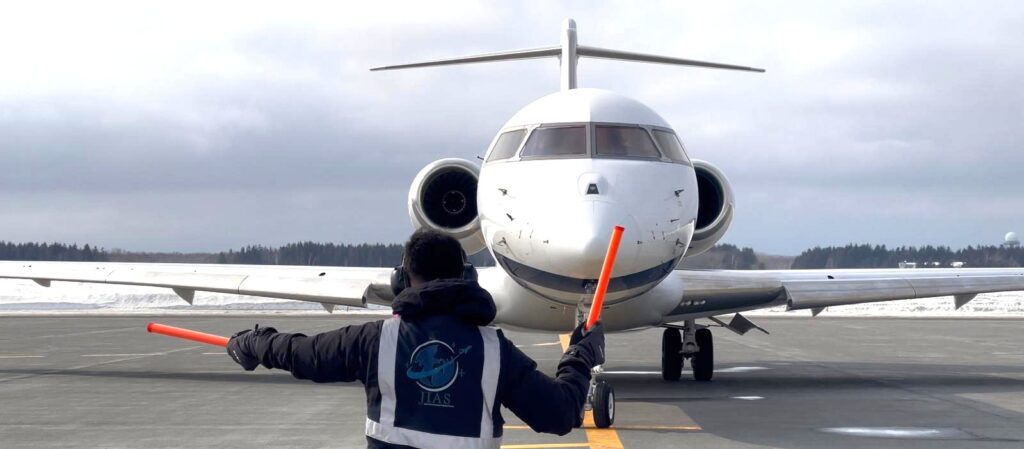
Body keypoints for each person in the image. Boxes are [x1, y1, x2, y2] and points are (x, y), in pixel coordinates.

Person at [226, 229, 605, 449]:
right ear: (467, 278)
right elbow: (559, 414)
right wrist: (580, 354)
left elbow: (302, 354)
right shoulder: (495, 351)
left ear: (402, 281)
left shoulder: (376, 340)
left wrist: (253, 342)